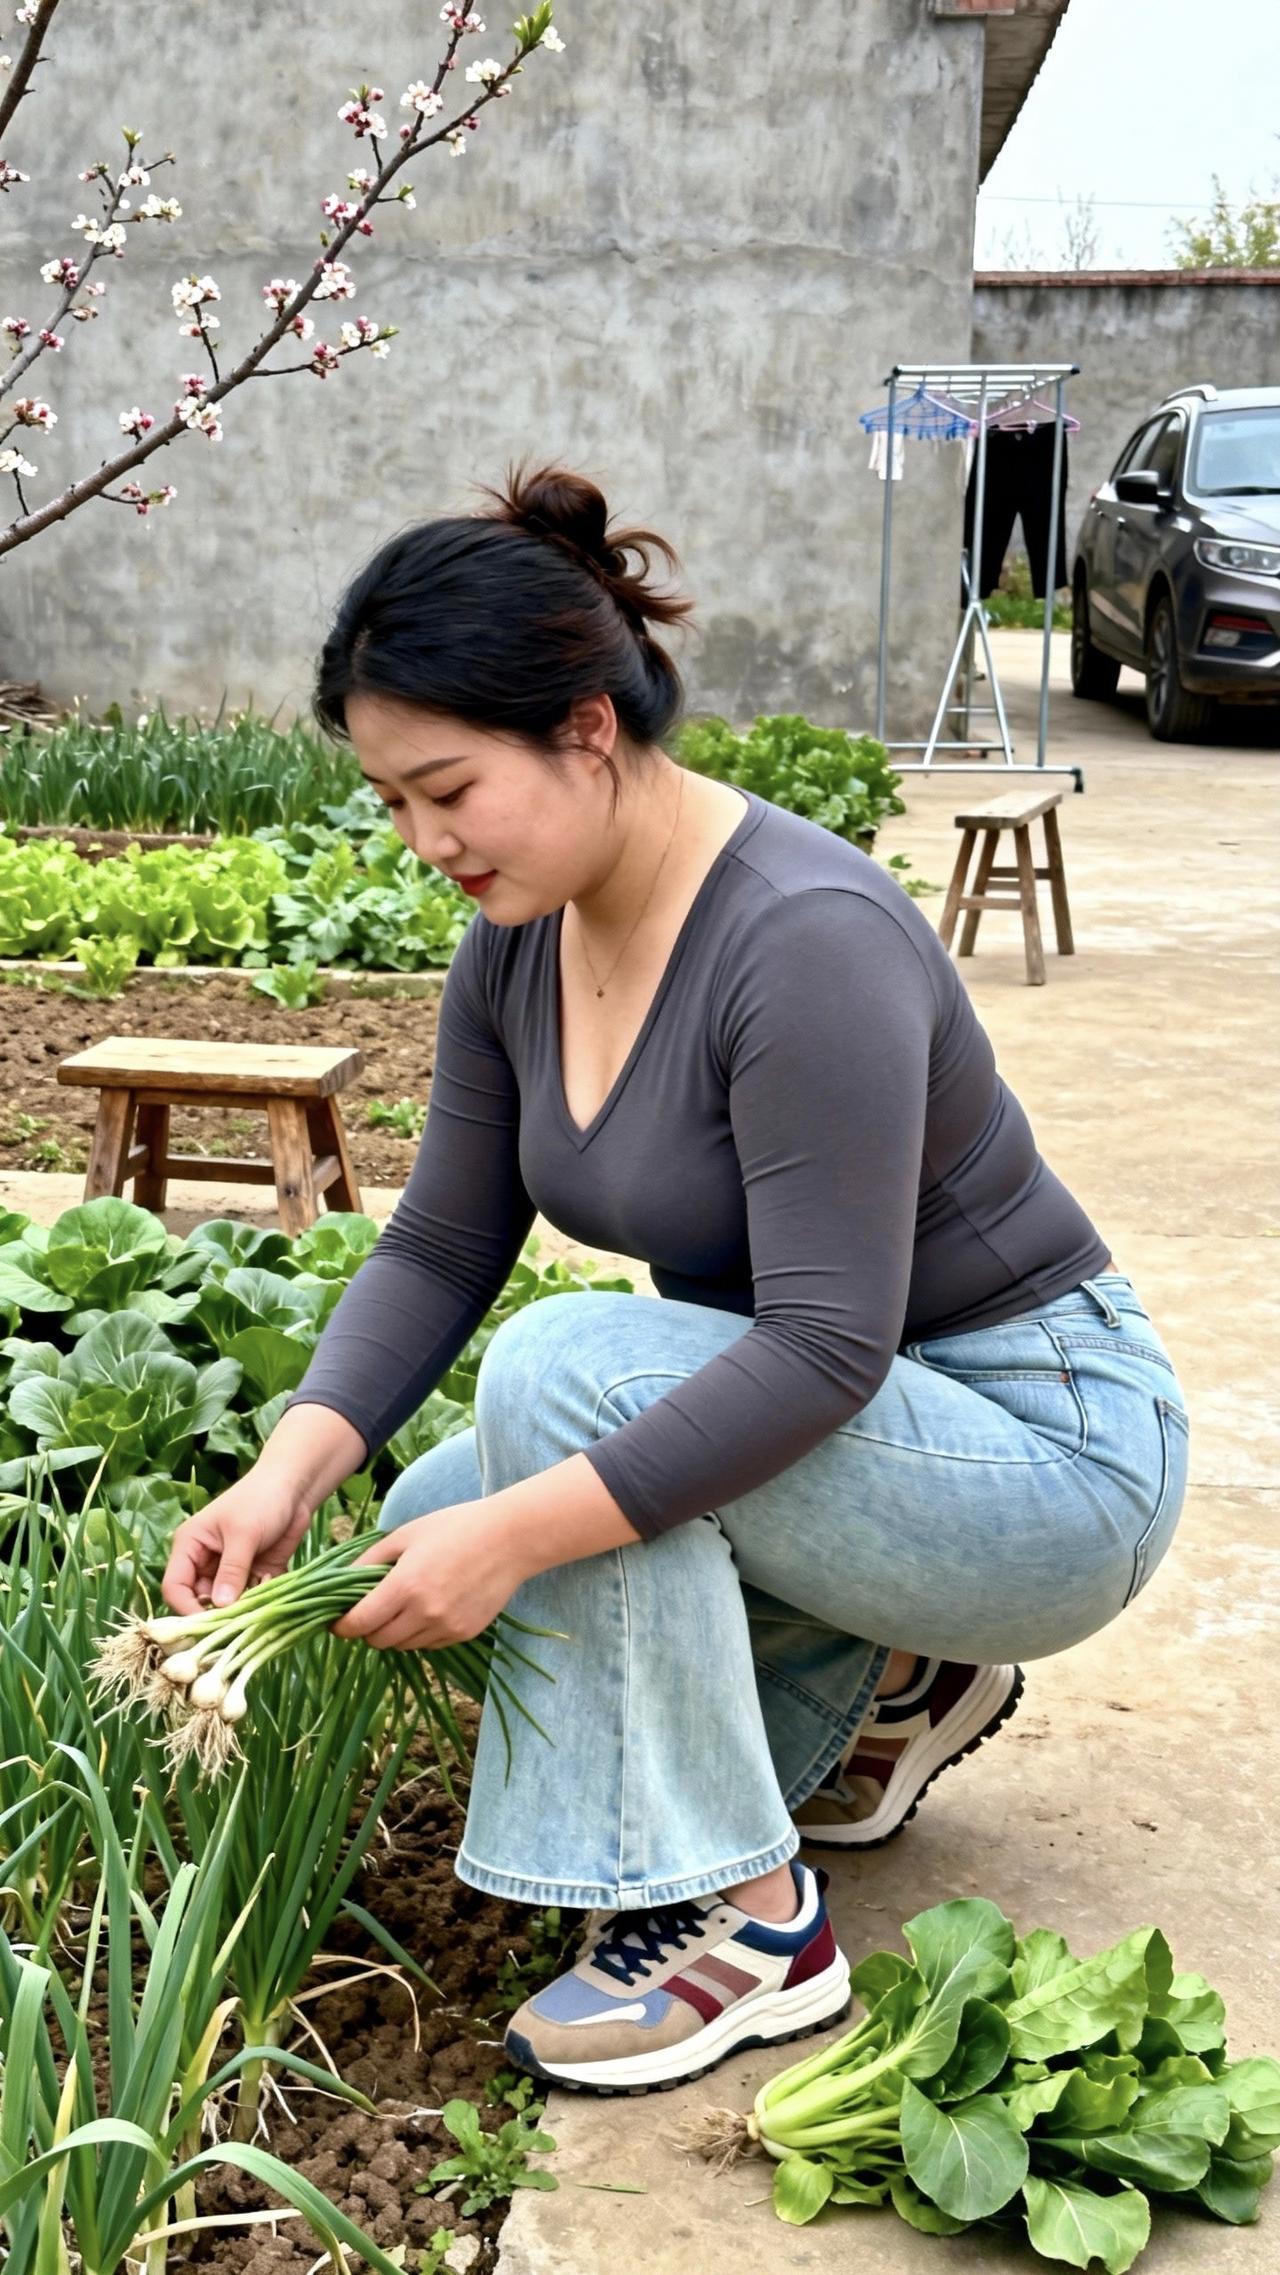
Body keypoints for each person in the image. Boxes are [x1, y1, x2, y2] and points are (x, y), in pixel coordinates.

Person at [161, 463, 1191, 2099]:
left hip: (1047, 1454)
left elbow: (826, 1349)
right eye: (391, 804)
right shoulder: (519, 936)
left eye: (448, 789)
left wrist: (520, 1529)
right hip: (874, 1449)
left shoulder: (803, 939)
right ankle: (900, 1671)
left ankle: (744, 1915)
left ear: (584, 728)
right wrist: (295, 1464)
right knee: (435, 1488)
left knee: (558, 1393)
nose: (425, 842)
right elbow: (440, 1237)